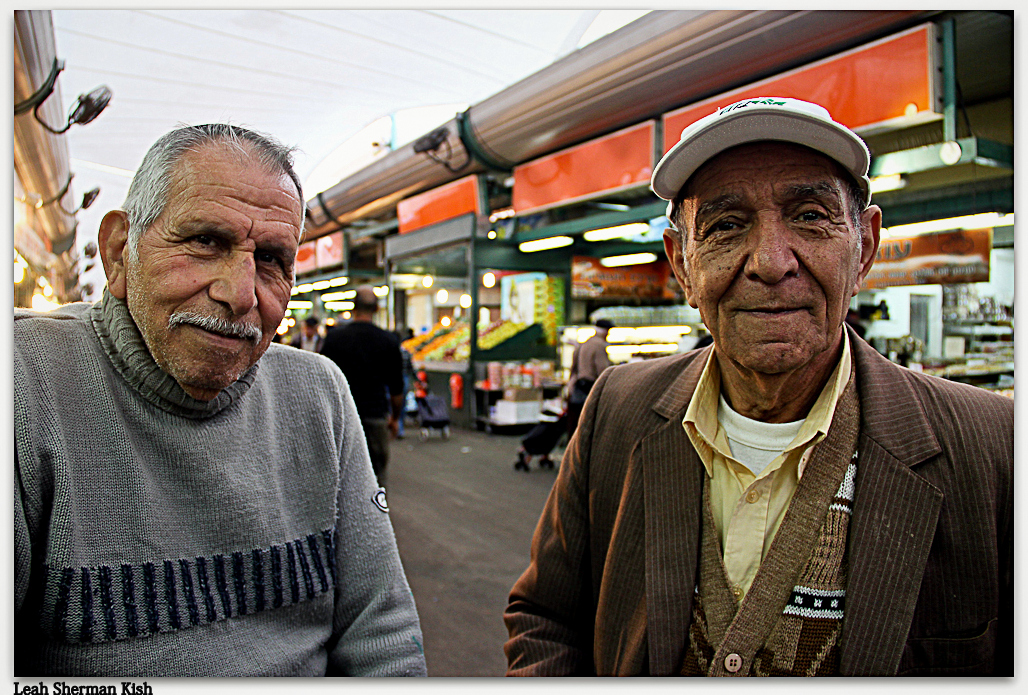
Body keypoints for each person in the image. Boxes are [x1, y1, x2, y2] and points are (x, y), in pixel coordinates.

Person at [504, 97, 1012, 676]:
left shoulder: (994, 447)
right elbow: (546, 617)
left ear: (865, 246)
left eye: (811, 216)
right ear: (682, 266)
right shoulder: (619, 410)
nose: (771, 262)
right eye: (725, 226)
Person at [13, 124, 426, 677]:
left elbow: (383, 629)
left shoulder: (318, 395)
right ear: (117, 253)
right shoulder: (23, 383)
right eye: (207, 242)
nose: (240, 293)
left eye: (274, 259)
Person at [319, 286, 405, 486]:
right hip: (375, 417)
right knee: (375, 477)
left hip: (340, 418)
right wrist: (394, 418)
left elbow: (321, 380)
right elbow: (397, 389)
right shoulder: (389, 341)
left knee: (340, 476)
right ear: (376, 309)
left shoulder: (334, 339)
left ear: (353, 307)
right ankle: (376, 515)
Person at [565, 318, 613, 435]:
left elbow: (574, 367)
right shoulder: (599, 345)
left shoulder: (584, 343)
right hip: (590, 387)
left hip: (579, 387)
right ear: (605, 331)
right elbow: (603, 370)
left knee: (577, 422)